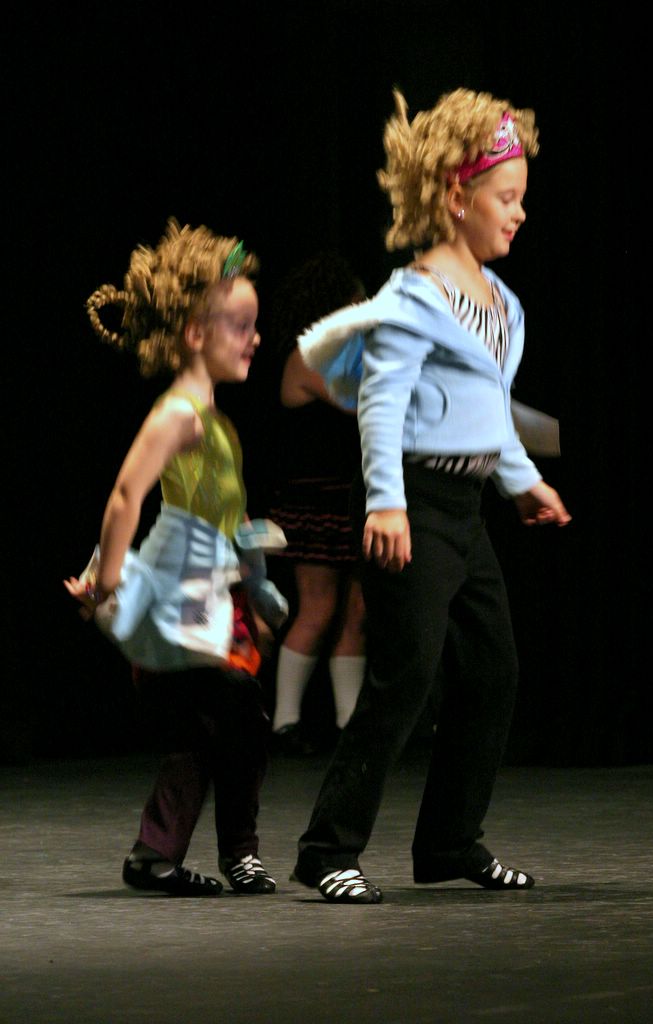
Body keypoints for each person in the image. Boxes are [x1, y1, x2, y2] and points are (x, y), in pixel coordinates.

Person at [290, 87, 572, 903]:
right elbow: (380, 402)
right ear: (456, 196)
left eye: (521, 198)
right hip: (408, 497)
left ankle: (449, 841)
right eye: (506, 198)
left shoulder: (502, 305)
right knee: (405, 675)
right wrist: (385, 502)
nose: (519, 213)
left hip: (463, 508)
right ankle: (326, 849)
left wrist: (522, 483)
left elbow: (488, 415)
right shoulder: (415, 297)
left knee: (492, 670)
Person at [64, 218, 287, 897]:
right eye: (239, 327)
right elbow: (125, 496)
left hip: (212, 588)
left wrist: (251, 581)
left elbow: (221, 514)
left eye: (254, 326)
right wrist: (107, 587)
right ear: (194, 333)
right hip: (178, 591)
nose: (254, 339)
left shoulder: (212, 420)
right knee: (235, 712)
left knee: (217, 723)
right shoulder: (180, 414)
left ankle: (160, 854)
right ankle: (231, 851)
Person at [266, 253, 367, 754]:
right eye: (357, 302)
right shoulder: (306, 358)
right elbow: (358, 401)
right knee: (319, 607)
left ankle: (350, 726)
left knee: (356, 612)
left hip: (348, 497)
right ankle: (284, 723)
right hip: (314, 498)